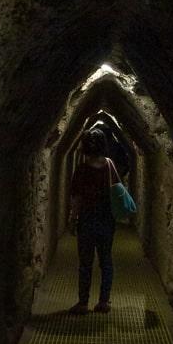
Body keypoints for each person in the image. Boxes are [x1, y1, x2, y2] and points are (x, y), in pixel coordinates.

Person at [68, 128, 119, 315]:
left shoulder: (81, 170)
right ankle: (104, 301)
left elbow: (76, 197)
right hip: (107, 219)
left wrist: (73, 219)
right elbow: (117, 189)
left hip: (87, 220)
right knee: (106, 260)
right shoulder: (110, 165)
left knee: (85, 263)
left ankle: (83, 303)